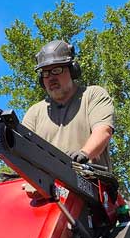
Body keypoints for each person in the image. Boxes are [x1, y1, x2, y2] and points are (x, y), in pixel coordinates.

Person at [20, 40, 114, 169]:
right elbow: (23, 149)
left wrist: (83, 154)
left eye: (56, 70)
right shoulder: (34, 112)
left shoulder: (92, 95)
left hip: (90, 183)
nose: (51, 78)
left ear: (72, 70)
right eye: (45, 73)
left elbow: (103, 131)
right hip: (45, 186)